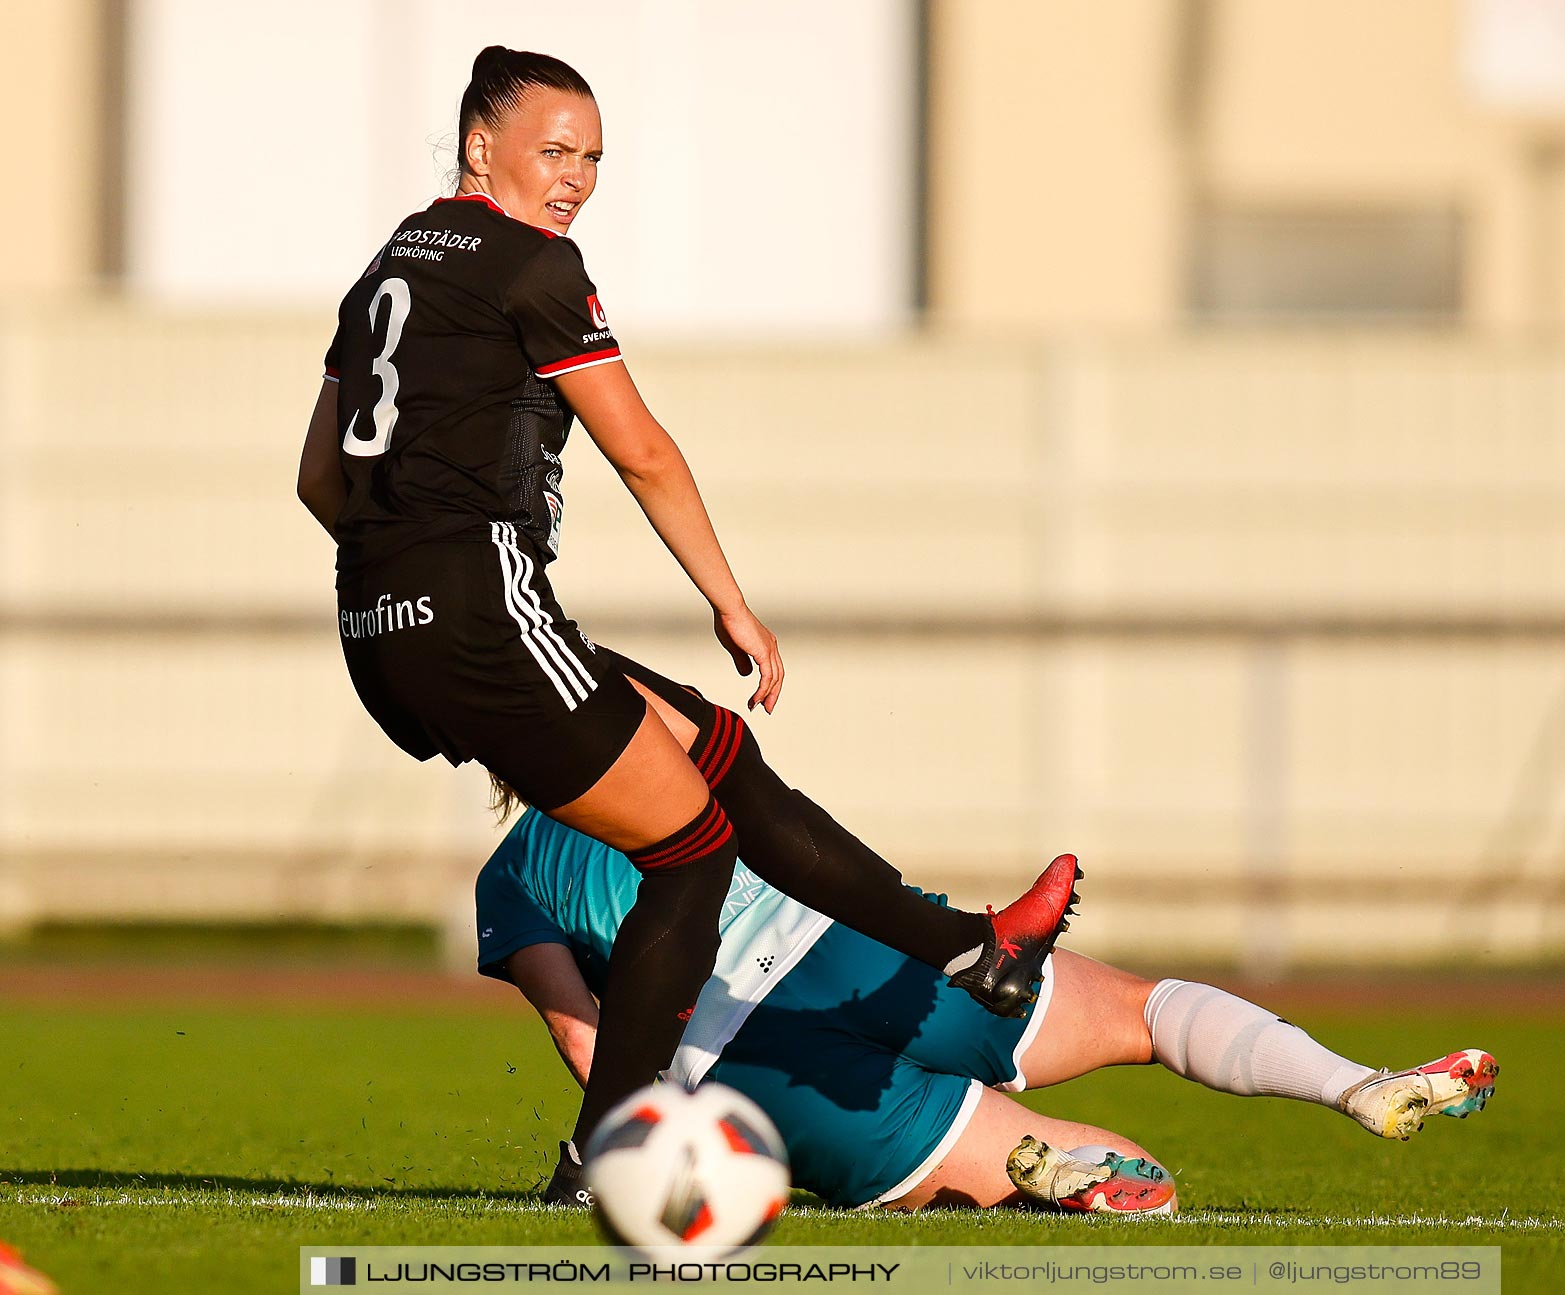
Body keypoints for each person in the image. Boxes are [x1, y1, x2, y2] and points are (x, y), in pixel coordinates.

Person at [294, 45, 1078, 1154]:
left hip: (377, 622)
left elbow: (319, 479)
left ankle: (971, 947)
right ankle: (609, 1148)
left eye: (594, 157)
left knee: (715, 753)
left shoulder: (384, 269)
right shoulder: (532, 267)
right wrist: (732, 605)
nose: (575, 176)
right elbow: (646, 452)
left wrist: (406, 582)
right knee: (692, 848)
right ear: (481, 147)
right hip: (477, 615)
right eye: (553, 150)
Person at [478, 809, 1501, 1210]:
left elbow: (586, 1038)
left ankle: (1053, 1173)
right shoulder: (672, 748)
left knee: (1153, 1184)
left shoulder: (515, 870)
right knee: (1149, 1011)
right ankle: (1350, 1081)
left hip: (756, 1072)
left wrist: (620, 1165)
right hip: (867, 952)